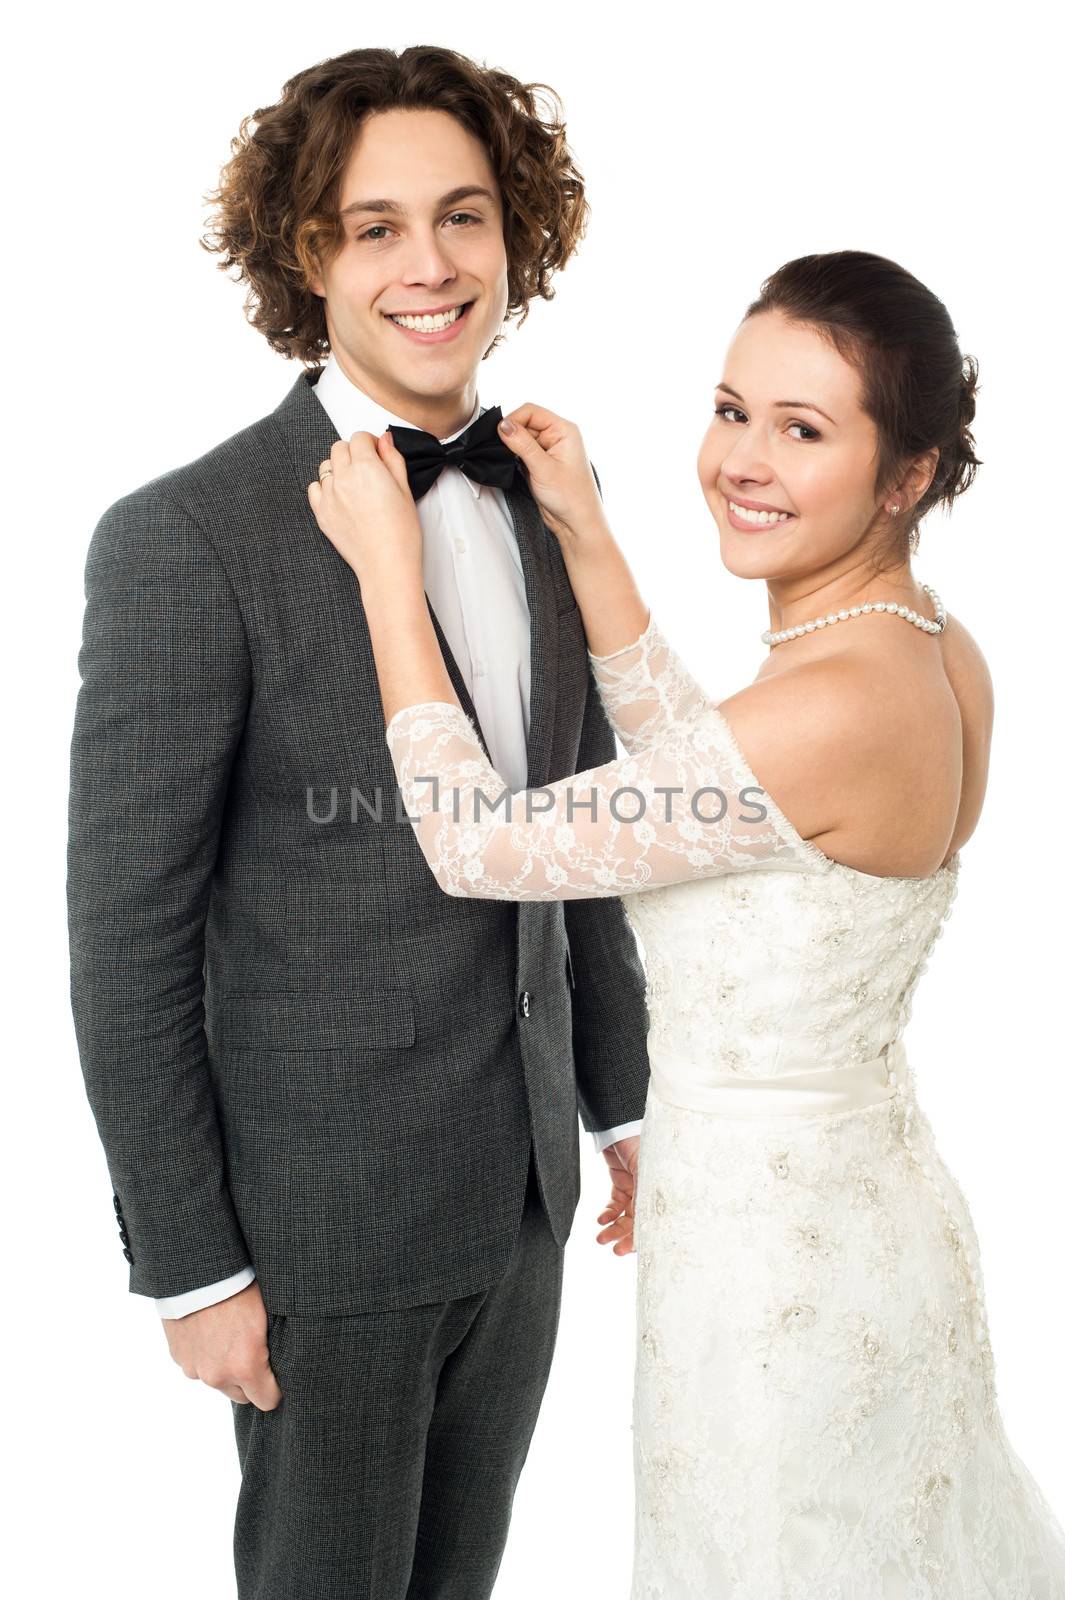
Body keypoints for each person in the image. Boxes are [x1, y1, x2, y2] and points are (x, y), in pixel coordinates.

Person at [308, 249, 1065, 1595]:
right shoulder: (931, 649)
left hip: (781, 1287)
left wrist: (385, 569)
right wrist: (587, 535)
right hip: (827, 1205)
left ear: (909, 475)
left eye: (802, 429)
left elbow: (481, 847)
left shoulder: (834, 705)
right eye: (730, 411)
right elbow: (716, 794)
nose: (742, 461)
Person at [66, 45, 651, 1599]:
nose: (430, 264)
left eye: (463, 217)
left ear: (515, 234)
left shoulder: (544, 494)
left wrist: (626, 1109)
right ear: (306, 257)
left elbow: (580, 829)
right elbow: (124, 936)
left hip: (522, 1209)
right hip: (318, 1236)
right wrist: (190, 1264)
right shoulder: (184, 536)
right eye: (374, 226)